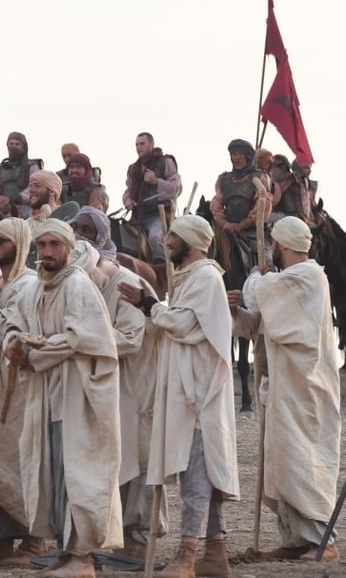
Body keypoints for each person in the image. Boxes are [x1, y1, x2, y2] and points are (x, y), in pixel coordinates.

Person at [119, 214, 238, 578]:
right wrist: (156, 305)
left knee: (197, 474)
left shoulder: (205, 277)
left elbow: (184, 325)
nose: (166, 242)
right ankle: (215, 552)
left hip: (198, 392)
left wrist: (150, 304)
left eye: (173, 236)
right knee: (201, 471)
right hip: (189, 390)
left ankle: (187, 554)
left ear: (190, 240)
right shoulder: (190, 278)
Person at [2, 219, 123, 577]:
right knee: (53, 476)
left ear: (68, 249)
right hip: (46, 397)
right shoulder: (35, 288)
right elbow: (13, 321)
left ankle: (82, 556)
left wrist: (34, 353)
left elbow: (81, 338)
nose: (47, 253)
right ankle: (64, 551)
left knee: (79, 476)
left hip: (77, 396)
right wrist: (13, 343)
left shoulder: (78, 286)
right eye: (42, 246)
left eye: (55, 245)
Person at [229, 217, 341, 561]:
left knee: (302, 458)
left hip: (305, 386)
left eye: (272, 244)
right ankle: (295, 540)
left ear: (282, 244)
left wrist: (254, 279)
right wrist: (239, 311)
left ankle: (321, 540)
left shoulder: (308, 276)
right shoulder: (283, 281)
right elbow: (261, 326)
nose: (270, 251)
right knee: (282, 460)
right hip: (282, 386)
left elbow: (263, 293)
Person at [73, 206, 159, 557]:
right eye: (75, 228)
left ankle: (139, 541)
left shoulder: (124, 281)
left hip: (135, 383)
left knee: (137, 457)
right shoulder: (87, 279)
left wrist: (84, 338)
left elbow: (132, 337)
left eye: (86, 229)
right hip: (106, 384)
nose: (80, 234)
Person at [0, 216, 45, 567]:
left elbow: (12, 329)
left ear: (19, 245)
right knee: (0, 458)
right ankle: (4, 538)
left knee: (23, 461)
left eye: (1, 241)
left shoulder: (27, 284)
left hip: (21, 386)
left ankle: (35, 538)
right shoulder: (5, 284)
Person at [209, 138, 266, 273]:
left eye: (240, 153)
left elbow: (263, 204)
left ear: (248, 156)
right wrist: (225, 224)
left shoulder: (260, 177)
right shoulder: (223, 179)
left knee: (267, 262)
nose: (236, 157)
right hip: (228, 229)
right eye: (234, 154)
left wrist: (244, 224)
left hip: (253, 231)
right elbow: (216, 205)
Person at [124, 132, 180, 257]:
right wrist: (128, 200)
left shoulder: (166, 161)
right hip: (138, 217)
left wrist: (156, 181)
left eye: (142, 144)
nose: (139, 147)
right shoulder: (134, 168)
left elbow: (175, 188)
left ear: (151, 144)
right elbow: (128, 189)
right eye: (136, 145)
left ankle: (164, 270)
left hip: (159, 216)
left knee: (155, 237)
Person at [0, 131, 43, 219]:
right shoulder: (0, 168)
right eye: (11, 143)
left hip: (25, 206)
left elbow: (35, 186)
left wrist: (18, 197)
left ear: (23, 147)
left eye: (17, 144)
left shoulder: (32, 166)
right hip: (4, 207)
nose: (14, 146)